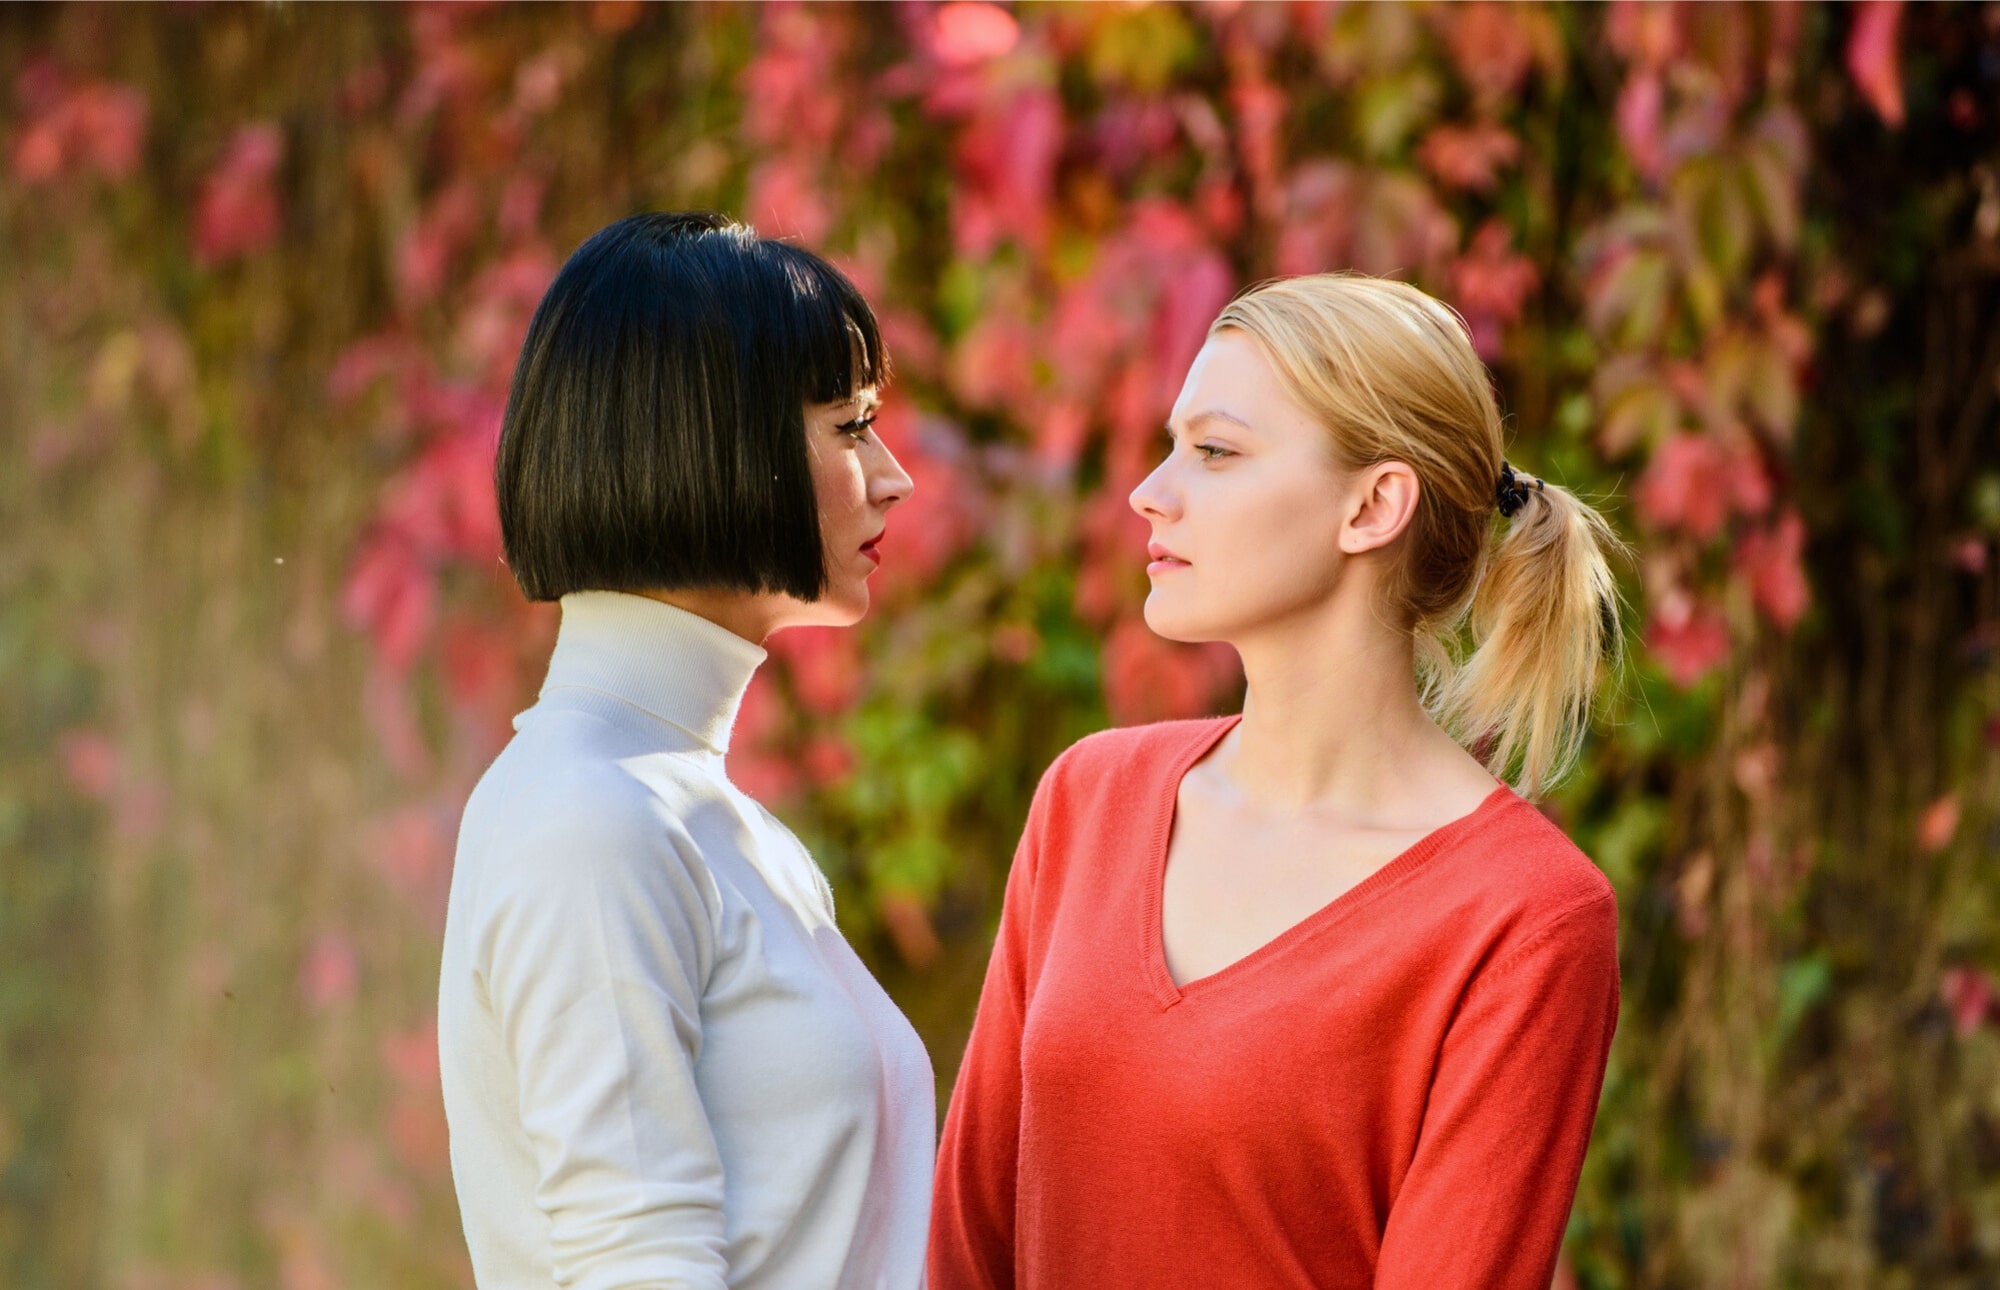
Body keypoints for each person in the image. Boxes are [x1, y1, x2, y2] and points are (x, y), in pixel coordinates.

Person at [929, 273, 1627, 1290]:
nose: (1148, 492)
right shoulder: (1089, 798)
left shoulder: (1525, 917)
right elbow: (966, 1250)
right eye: (1171, 445)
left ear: (1372, 505)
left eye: (1213, 452)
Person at [439, 212, 932, 1290]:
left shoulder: (711, 820)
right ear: (711, 438)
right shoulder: (588, 818)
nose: (891, 477)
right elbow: (636, 1260)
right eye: (849, 428)